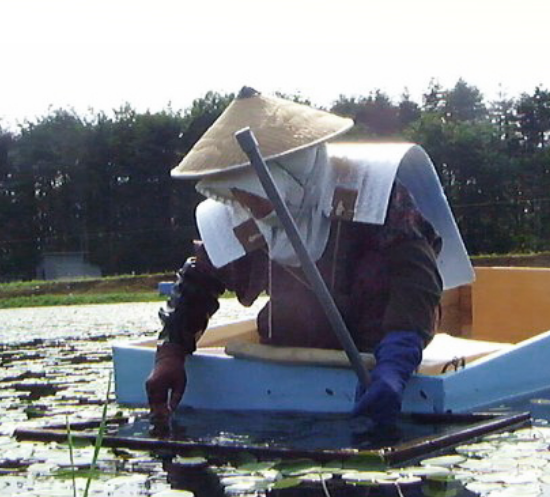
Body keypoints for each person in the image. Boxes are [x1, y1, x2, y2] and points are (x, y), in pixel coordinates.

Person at [145, 87, 472, 428]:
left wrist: (396, 362)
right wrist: (171, 351)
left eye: (253, 192)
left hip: (377, 356)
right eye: (238, 193)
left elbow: (415, 275)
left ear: (289, 176)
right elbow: (200, 277)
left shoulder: (372, 192)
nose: (246, 204)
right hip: (290, 363)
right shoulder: (242, 209)